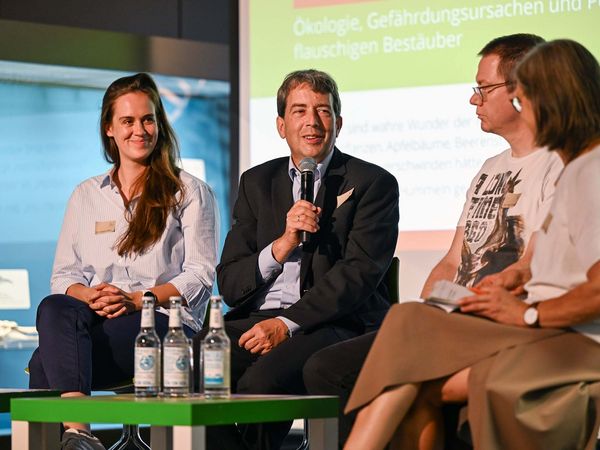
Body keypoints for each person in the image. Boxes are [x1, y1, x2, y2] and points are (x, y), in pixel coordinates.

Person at [303, 33, 563, 446]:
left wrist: (449, 315)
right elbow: (450, 261)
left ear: (521, 90)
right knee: (326, 365)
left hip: (498, 319)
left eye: (484, 88)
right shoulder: (488, 167)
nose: (474, 100)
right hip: (454, 317)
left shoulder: (559, 163)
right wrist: (432, 310)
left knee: (369, 371)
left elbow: (530, 266)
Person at [194, 69, 399, 449]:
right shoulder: (257, 182)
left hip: (330, 324)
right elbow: (232, 279)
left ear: (338, 122)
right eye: (300, 111)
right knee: (189, 365)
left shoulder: (373, 182)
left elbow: (358, 275)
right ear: (280, 124)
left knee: (261, 382)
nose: (312, 122)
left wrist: (286, 324)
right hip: (255, 320)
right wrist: (282, 245)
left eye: (322, 111)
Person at [28, 73, 219, 450]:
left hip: (163, 325)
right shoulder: (85, 195)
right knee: (54, 306)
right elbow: (64, 276)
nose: (140, 130)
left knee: (43, 365)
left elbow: (200, 275)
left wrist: (135, 300)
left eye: (148, 120)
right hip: (98, 318)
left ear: (159, 125)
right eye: (128, 121)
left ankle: (77, 433)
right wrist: (92, 296)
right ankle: (79, 433)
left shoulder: (189, 191)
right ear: (109, 129)